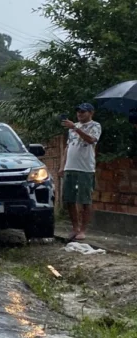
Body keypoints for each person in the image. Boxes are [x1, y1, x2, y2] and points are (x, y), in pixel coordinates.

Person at [61, 103, 101, 241]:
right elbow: (67, 148)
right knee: (69, 199)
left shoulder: (95, 126)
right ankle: (75, 228)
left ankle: (83, 229)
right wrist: (62, 166)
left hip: (85, 168)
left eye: (83, 112)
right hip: (70, 167)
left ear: (91, 113)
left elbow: (91, 140)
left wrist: (75, 128)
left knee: (85, 200)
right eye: (78, 112)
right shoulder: (72, 128)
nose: (80, 114)